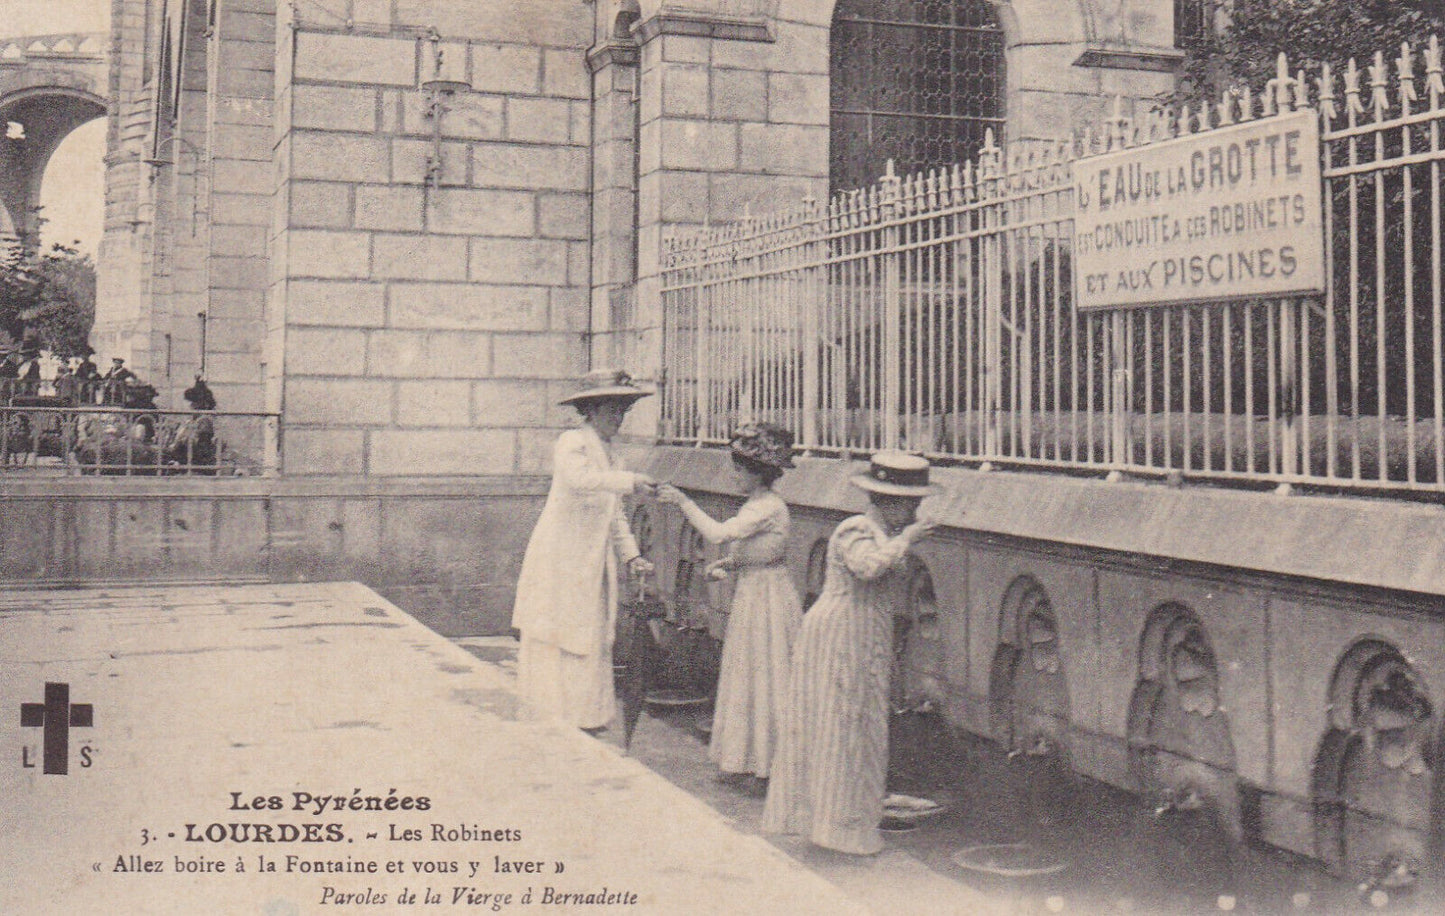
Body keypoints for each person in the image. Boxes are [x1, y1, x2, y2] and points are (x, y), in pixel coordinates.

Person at [762, 451, 938, 855]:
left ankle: (847, 823)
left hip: (863, 628)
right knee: (841, 723)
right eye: (911, 504)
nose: (914, 512)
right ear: (889, 501)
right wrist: (906, 541)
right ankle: (835, 827)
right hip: (841, 630)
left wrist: (901, 542)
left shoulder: (880, 532)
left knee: (858, 725)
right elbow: (868, 568)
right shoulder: (856, 529)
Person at [509, 369, 658, 732]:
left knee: (589, 634)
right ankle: (547, 713)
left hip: (591, 561)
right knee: (556, 631)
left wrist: (632, 555)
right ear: (590, 412)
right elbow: (581, 482)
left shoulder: (612, 457)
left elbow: (613, 511)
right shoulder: (571, 444)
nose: (617, 419)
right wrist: (632, 481)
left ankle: (584, 716)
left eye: (622, 411)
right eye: (610, 411)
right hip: (560, 557)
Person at [657, 422, 802, 795]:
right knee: (749, 674)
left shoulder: (768, 506)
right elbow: (756, 548)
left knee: (767, 674)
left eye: (739, 469)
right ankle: (747, 761)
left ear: (758, 471)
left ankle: (770, 766)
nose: (734, 475)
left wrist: (684, 502)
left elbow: (720, 534)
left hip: (769, 597)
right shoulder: (757, 505)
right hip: (756, 592)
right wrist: (729, 565)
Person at [166, 376, 217, 471]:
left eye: (194, 403)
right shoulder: (190, 421)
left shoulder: (204, 421)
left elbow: (201, 448)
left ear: (203, 405)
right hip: (182, 456)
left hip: (193, 461)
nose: (191, 406)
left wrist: (180, 456)